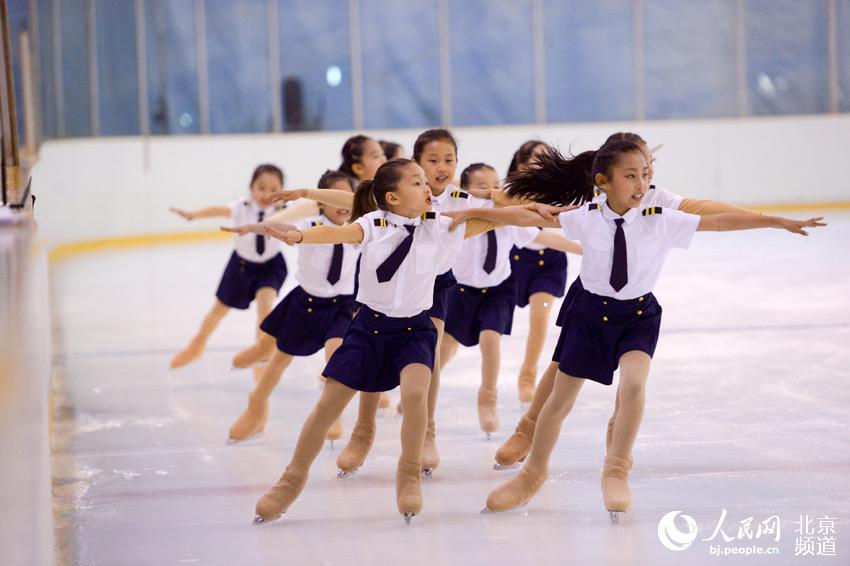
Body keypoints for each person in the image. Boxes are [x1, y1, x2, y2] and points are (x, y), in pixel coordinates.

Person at [443, 138, 824, 520]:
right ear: (603, 180)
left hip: (638, 316)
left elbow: (716, 220)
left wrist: (771, 219)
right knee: (559, 400)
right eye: (631, 176)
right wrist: (482, 214)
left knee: (635, 384)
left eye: (645, 173)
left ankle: (616, 469)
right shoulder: (588, 215)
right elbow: (533, 217)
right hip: (591, 314)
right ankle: (532, 474)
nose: (642, 183)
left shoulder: (659, 215)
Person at [250, 158, 504, 524]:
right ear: (392, 197)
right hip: (368, 329)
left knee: (416, 395)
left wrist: (534, 209)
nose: (427, 185)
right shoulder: (374, 222)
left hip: (415, 329)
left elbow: (498, 216)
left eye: (426, 179)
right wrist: (299, 234)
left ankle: (408, 473)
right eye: (417, 181)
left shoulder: (438, 223)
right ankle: (291, 480)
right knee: (327, 406)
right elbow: (340, 231)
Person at [222, 170, 358, 446]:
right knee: (278, 358)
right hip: (306, 304)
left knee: (337, 358)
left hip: (342, 306)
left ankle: (333, 414)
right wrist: (254, 227)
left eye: (348, 197)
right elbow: (284, 229)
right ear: (321, 202)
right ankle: (255, 404)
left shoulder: (359, 229)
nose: (344, 204)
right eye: (335, 197)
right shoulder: (309, 224)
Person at [168, 164, 286, 370]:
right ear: (251, 187)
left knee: (265, 308)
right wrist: (193, 215)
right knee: (218, 309)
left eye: (274, 189)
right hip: (240, 266)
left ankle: (261, 356)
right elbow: (219, 210)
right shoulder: (241, 206)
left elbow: (310, 216)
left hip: (270, 266)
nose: (267, 193)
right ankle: (196, 346)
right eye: (261, 187)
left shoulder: (284, 209)